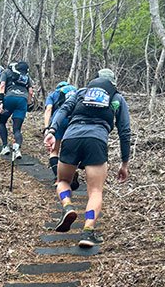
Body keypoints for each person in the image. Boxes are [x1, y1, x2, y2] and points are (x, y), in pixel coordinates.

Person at [44, 67, 131, 247]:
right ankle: (88, 231)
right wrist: (124, 162)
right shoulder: (116, 99)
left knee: (63, 181)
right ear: (112, 83)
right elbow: (125, 131)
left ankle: (67, 205)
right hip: (96, 140)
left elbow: (63, 110)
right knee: (95, 191)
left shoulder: (81, 93)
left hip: (71, 138)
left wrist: (51, 130)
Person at [0, 60, 33, 159]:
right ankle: (17, 147)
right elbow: (30, 91)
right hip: (22, 100)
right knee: (17, 128)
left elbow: (2, 86)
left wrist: (0, 102)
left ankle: (5, 146)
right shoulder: (26, 76)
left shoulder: (6, 72)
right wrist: (28, 103)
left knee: (2, 122)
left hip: (9, 98)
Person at [43, 80, 77, 178]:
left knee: (54, 151)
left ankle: (59, 178)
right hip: (74, 121)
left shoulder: (53, 94)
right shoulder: (76, 92)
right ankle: (71, 174)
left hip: (59, 121)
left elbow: (48, 109)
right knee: (70, 150)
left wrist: (47, 128)